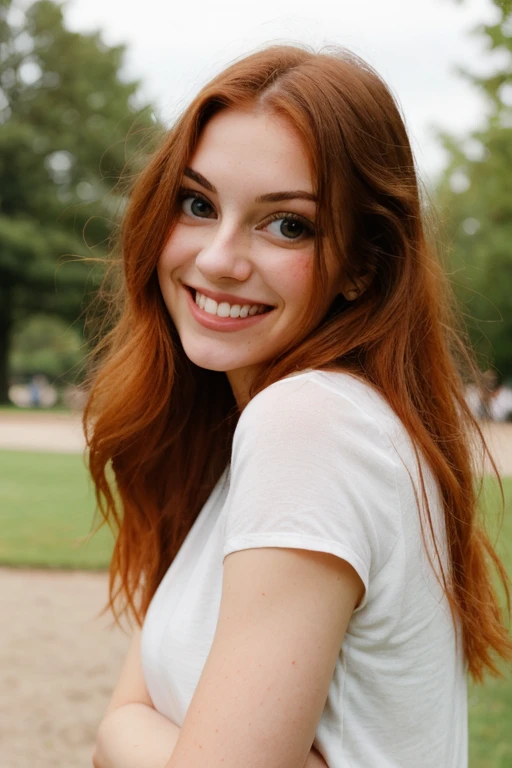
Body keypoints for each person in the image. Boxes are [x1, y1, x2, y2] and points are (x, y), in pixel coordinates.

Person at [85, 44, 512, 768]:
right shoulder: (258, 430)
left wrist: (133, 734)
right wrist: (130, 731)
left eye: (287, 224)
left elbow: (133, 728)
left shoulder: (310, 425)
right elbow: (121, 716)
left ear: (363, 265)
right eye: (198, 204)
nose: (219, 258)